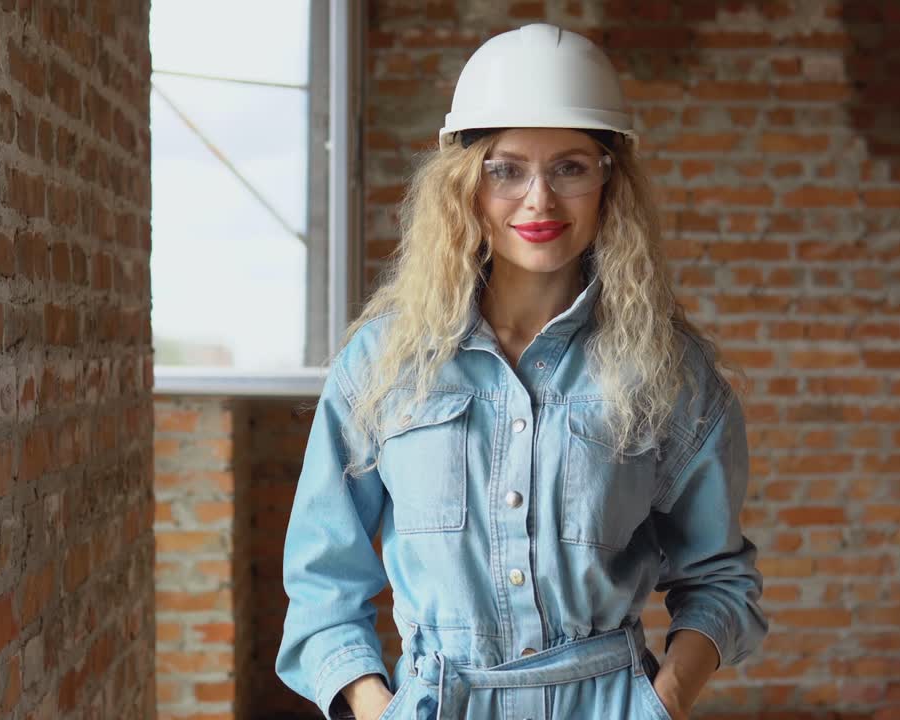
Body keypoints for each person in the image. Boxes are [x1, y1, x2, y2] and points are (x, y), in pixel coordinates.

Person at [275, 23, 768, 720]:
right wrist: (373, 704)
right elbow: (324, 580)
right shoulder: (384, 365)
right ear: (466, 185)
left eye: (570, 166)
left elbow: (719, 579)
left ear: (608, 182)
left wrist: (665, 702)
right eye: (507, 169)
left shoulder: (669, 373)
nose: (539, 200)